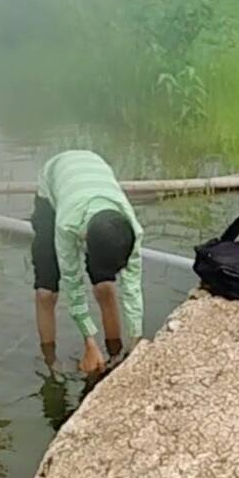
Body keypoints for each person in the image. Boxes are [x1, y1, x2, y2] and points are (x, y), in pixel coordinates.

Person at [31, 150, 143, 376]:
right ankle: (51, 365)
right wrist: (89, 343)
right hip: (55, 187)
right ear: (86, 243)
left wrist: (136, 341)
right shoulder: (67, 225)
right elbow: (73, 284)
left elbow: (132, 288)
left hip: (94, 175)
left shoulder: (133, 229)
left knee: (104, 287)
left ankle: (115, 353)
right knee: (46, 293)